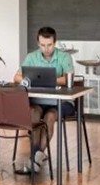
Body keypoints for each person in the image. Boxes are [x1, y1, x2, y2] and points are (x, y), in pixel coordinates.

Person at [13, 26, 74, 172]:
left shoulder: (64, 57)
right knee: (33, 113)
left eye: (49, 45)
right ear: (38, 43)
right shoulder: (31, 57)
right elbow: (16, 77)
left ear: (55, 42)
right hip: (39, 101)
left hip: (61, 102)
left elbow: (68, 78)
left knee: (50, 116)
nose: (46, 49)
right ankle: (37, 156)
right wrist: (27, 80)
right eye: (43, 45)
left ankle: (35, 157)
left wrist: (49, 80)